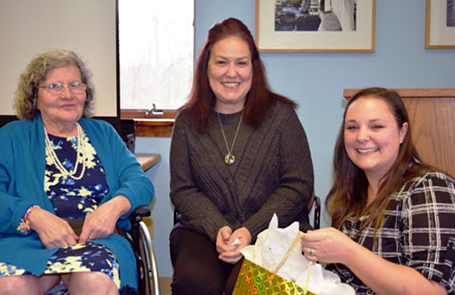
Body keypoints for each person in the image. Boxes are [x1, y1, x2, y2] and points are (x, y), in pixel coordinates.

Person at [169, 17, 314, 295]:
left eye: (241, 63)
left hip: (273, 232)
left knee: (246, 286)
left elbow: (298, 186)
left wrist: (249, 230)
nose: (231, 73)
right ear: (206, 68)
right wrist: (218, 228)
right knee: (195, 283)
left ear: (254, 68)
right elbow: (183, 190)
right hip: (202, 232)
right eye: (221, 62)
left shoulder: (281, 117)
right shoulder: (186, 122)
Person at [0, 49, 154, 294]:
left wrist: (113, 208)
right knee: (9, 286)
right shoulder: (12, 136)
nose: (67, 94)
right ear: (34, 96)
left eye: (75, 85)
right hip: (29, 243)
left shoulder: (103, 133)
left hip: (96, 243)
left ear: (86, 92)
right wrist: (33, 216)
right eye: (54, 86)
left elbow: (139, 182)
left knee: (95, 283)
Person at [301, 87, 455, 294]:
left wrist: (347, 251)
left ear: (402, 132)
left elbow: (432, 291)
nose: (362, 136)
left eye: (376, 126)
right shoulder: (352, 198)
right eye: (352, 127)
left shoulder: (429, 188)